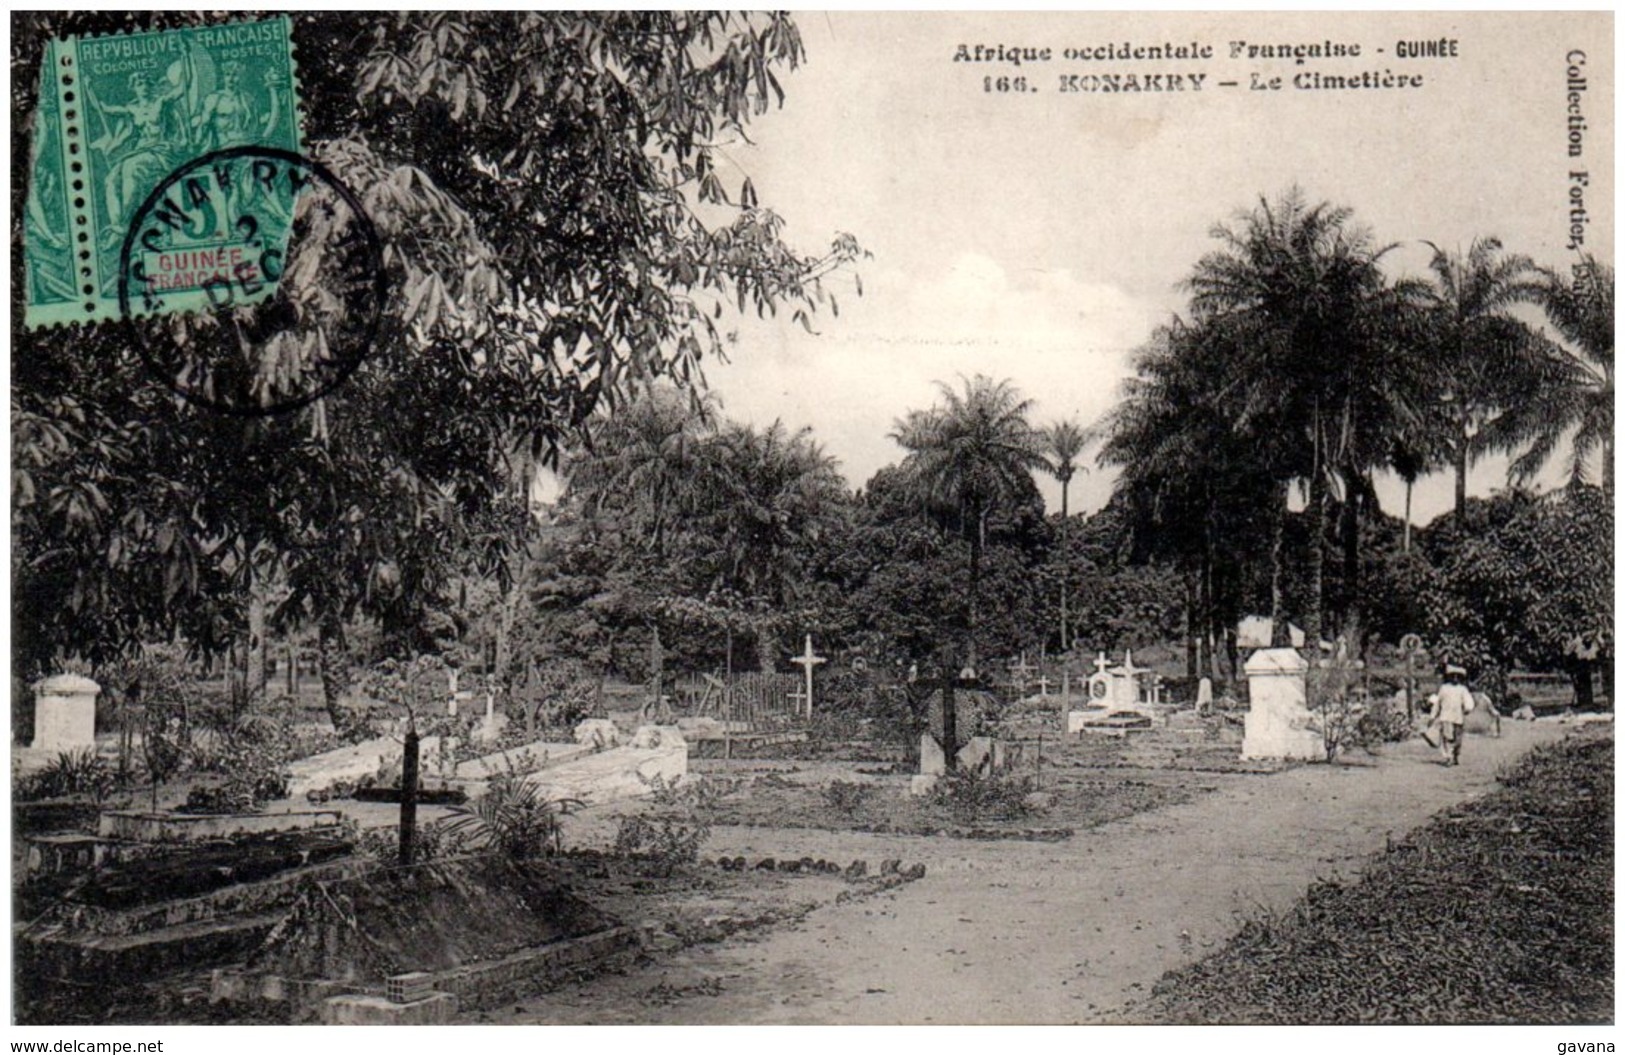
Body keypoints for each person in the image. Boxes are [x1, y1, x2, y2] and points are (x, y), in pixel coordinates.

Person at [1429, 665, 1475, 766]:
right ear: (1449, 677)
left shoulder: (1462, 689)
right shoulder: (1444, 688)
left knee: (1457, 740)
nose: (1455, 678)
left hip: (1458, 718)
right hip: (1446, 716)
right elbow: (1437, 703)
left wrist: (1468, 708)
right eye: (1452, 676)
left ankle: (1455, 755)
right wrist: (1432, 716)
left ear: (1460, 678)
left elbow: (1468, 700)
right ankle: (1448, 757)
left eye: (1457, 676)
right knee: (1447, 738)